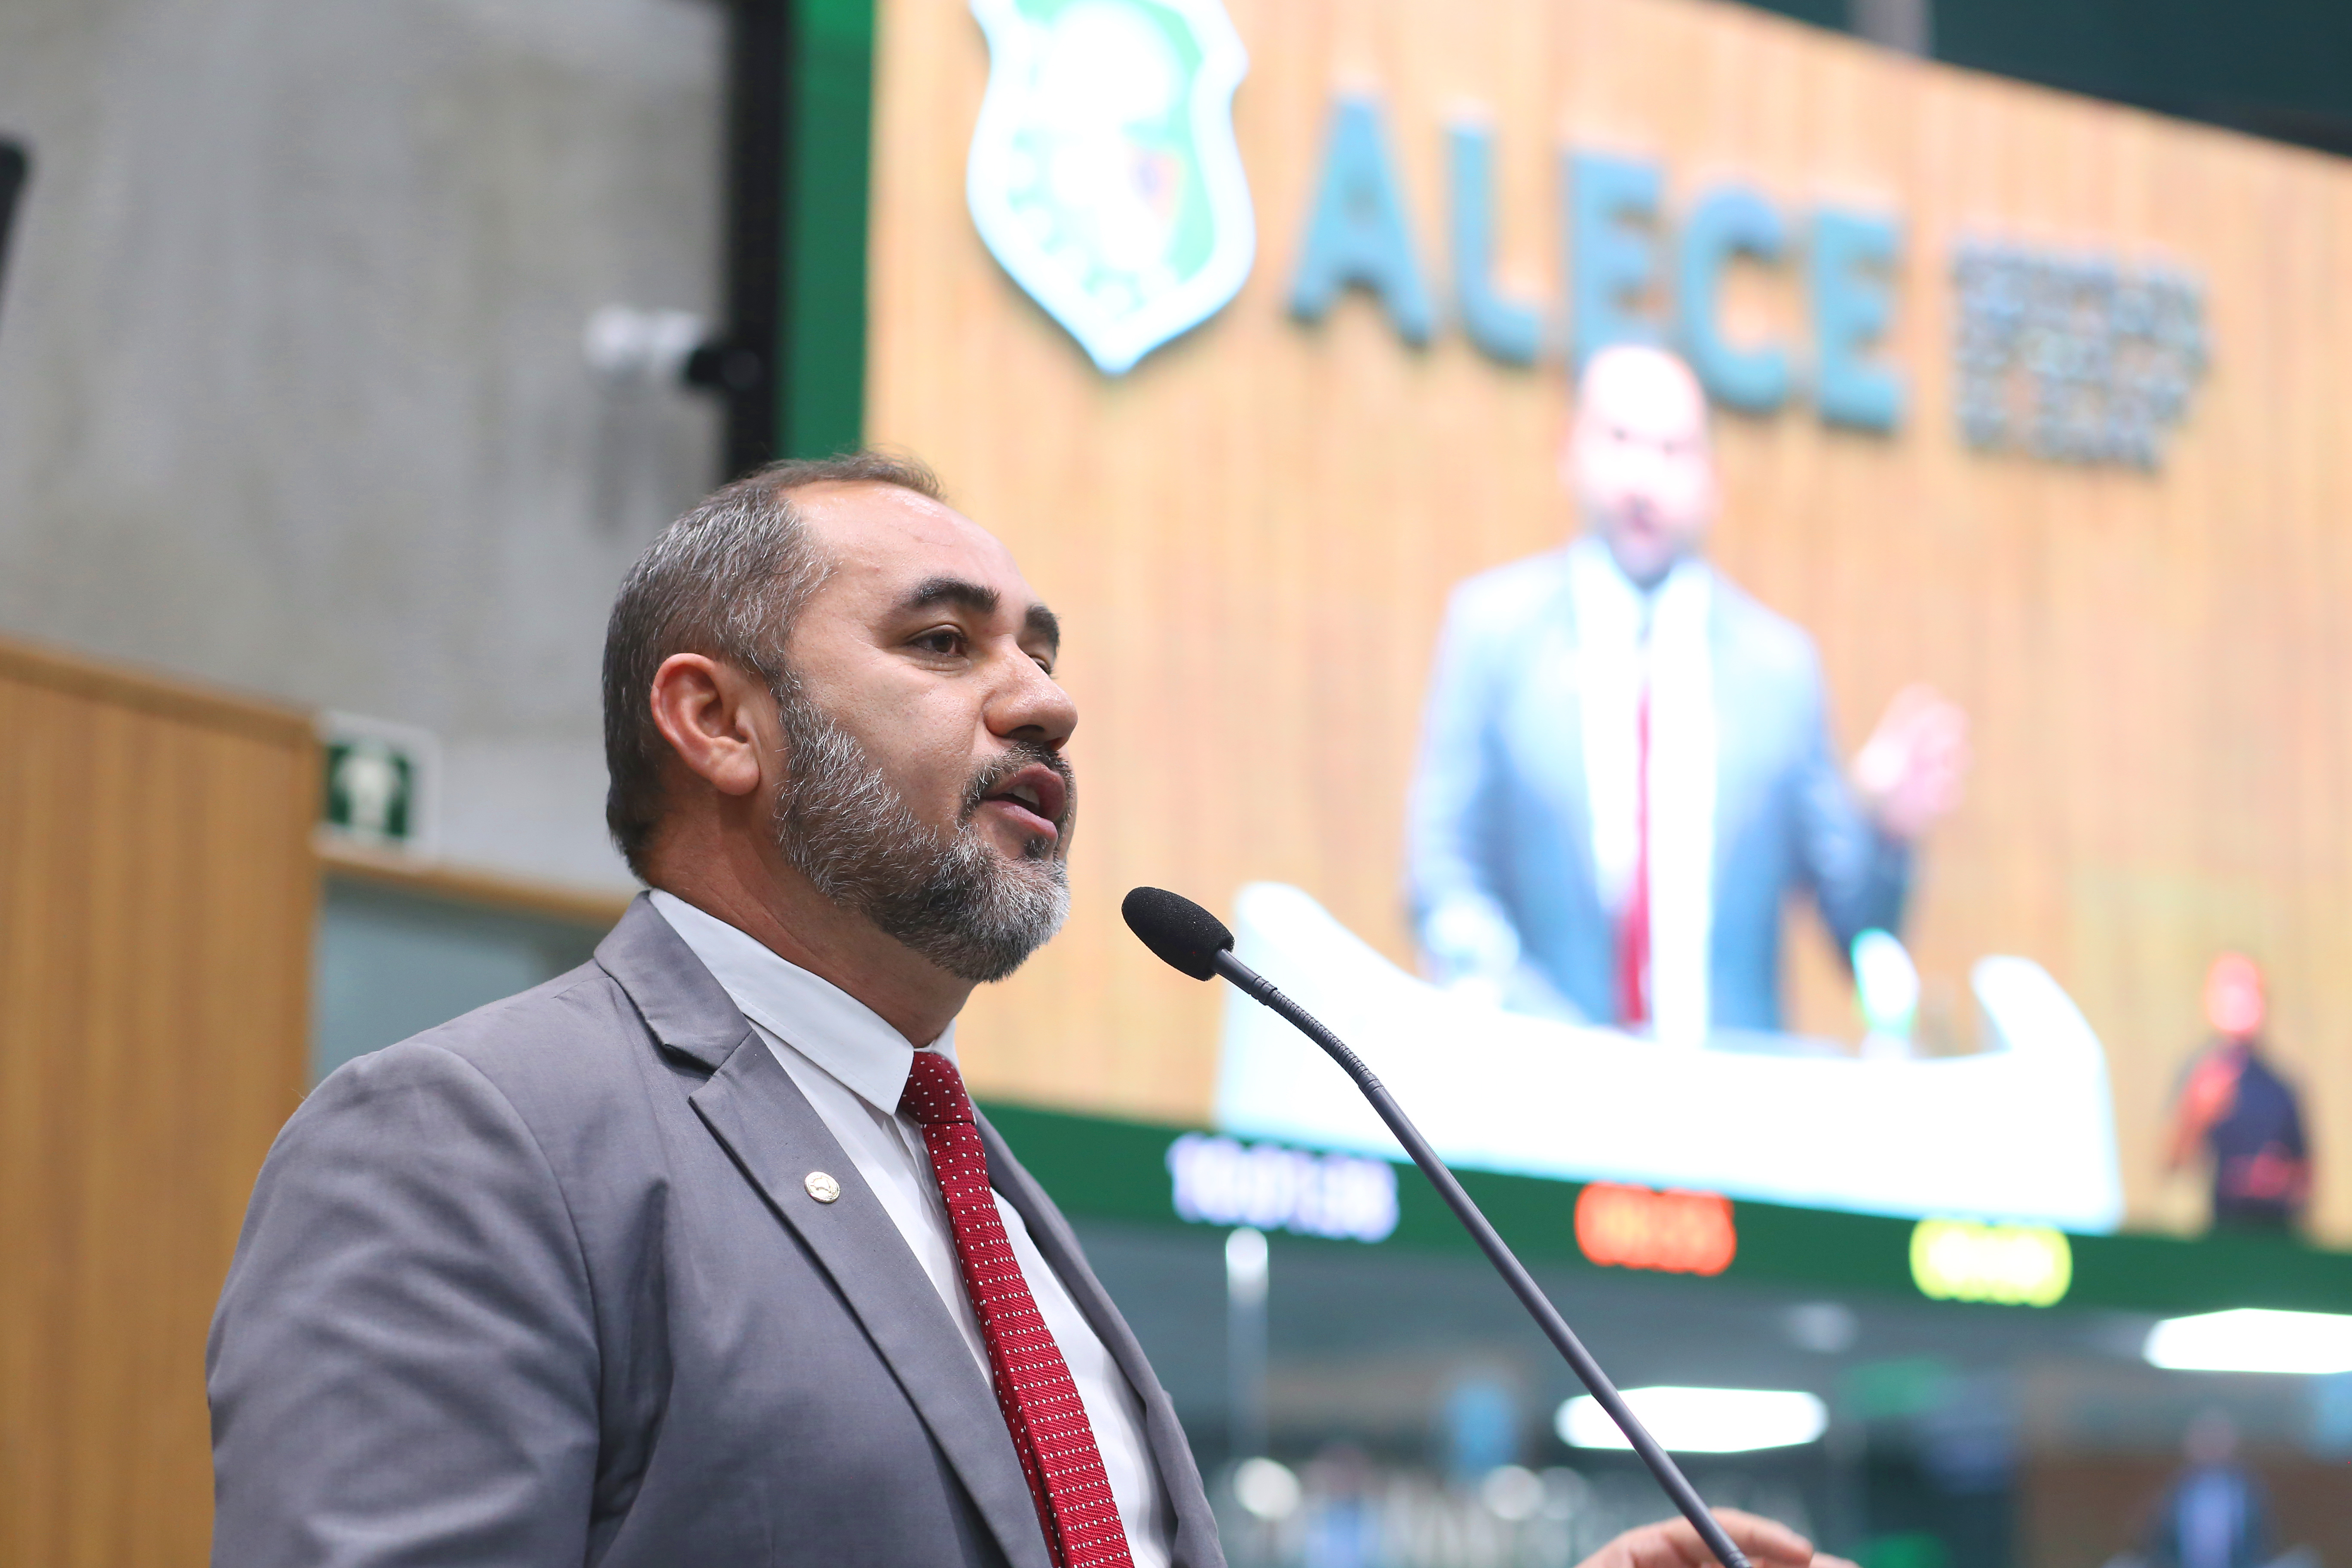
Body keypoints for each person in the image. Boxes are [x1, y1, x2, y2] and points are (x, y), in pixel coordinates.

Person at [207, 452, 1840, 1568]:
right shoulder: (469, 1141)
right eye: (943, 641)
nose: (1046, 700)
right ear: (717, 721)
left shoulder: (982, 1193)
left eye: (1043, 654)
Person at [1408, 346, 1968, 1041]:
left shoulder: (1779, 671)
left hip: (1731, 1091)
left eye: (1673, 450)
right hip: (1541, 1072)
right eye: (1620, 440)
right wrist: (1530, 1025)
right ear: (1570, 452)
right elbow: (1443, 875)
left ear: (1712, 480)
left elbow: (1857, 931)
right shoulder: (1492, 635)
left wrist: (1884, 831)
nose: (1644, 478)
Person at [2166, 953, 2311, 1233]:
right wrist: (2197, 1115)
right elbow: (2171, 1164)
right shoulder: (2200, 1075)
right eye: (2231, 990)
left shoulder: (2281, 1086)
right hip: (2220, 1231)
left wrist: (2275, 1179)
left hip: (2278, 1233)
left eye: (2250, 991)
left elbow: (2306, 1174)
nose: (2241, 1002)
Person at [2143, 1412, 2273, 1568]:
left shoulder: (2250, 1492)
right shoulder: (2174, 1491)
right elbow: (2159, 1545)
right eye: (2205, 1441)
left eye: (2218, 1441)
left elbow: (2261, 1545)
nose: (2211, 1448)